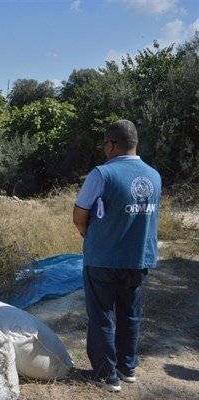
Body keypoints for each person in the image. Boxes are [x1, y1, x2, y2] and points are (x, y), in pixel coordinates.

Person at [72, 120, 161, 392]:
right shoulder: (154, 176)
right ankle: (127, 367)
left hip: (102, 259)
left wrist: (92, 236)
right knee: (130, 314)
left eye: (104, 144)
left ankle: (106, 375)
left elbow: (79, 216)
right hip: (138, 258)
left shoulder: (101, 174)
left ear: (111, 144)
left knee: (101, 316)